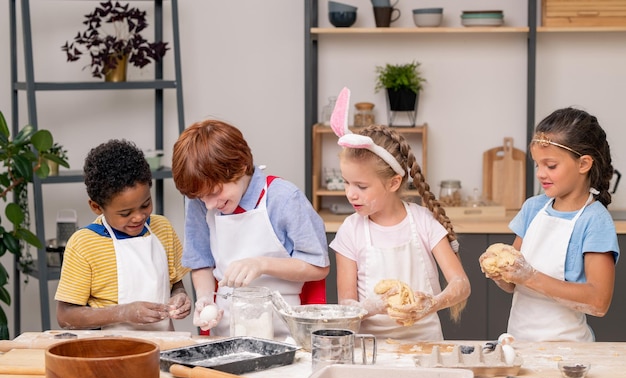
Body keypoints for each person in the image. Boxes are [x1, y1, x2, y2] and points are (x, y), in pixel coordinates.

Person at [328, 87, 471, 341]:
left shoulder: (424, 221)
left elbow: (461, 285)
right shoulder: (351, 230)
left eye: (361, 186)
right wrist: (375, 305)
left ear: (394, 183)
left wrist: (431, 304)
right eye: (346, 182)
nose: (350, 194)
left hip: (426, 345)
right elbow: (346, 308)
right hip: (372, 350)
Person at [171, 119, 330, 338]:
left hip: (285, 333)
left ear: (241, 167)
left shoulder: (283, 199)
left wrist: (261, 264)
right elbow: (201, 262)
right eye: (201, 197)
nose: (208, 204)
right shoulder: (199, 201)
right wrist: (205, 298)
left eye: (215, 192)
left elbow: (318, 266)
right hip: (225, 333)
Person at [480, 107, 620, 342]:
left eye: (551, 166)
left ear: (584, 164)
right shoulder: (533, 208)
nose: (540, 174)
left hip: (568, 350)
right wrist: (499, 274)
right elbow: (513, 284)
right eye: (537, 165)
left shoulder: (594, 221)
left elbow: (599, 301)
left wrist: (530, 277)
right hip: (519, 343)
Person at [55, 139, 191, 330]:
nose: (138, 217)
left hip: (162, 347)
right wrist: (123, 313)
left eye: (145, 205)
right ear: (96, 207)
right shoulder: (83, 244)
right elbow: (66, 316)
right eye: (125, 213)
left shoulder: (163, 229)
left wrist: (180, 297)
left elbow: (176, 284)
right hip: (110, 353)